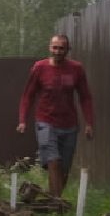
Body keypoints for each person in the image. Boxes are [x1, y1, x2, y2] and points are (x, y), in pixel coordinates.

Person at [17, 34, 95, 200]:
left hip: (69, 124)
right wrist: (22, 120)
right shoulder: (40, 68)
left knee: (64, 168)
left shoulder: (76, 69)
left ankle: (54, 198)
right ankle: (56, 202)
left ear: (67, 50)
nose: (58, 51)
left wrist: (89, 122)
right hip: (46, 121)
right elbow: (28, 95)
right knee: (53, 160)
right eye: (55, 48)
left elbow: (85, 97)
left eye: (61, 48)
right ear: (49, 48)